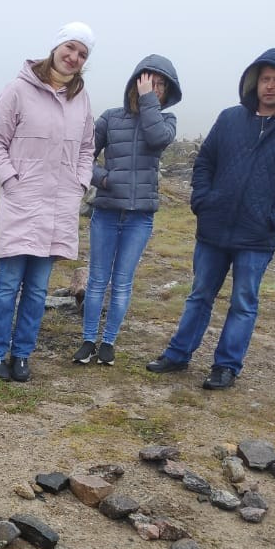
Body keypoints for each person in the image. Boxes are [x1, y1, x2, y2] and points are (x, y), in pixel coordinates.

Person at [145, 48, 275, 391]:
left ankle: (226, 366)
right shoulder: (229, 119)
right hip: (214, 227)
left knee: (243, 301)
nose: (270, 86)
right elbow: (205, 161)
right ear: (255, 81)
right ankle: (178, 354)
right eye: (265, 78)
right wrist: (203, 200)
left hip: (258, 234)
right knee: (199, 294)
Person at [0, 23, 96, 382]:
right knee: (7, 285)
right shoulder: (18, 89)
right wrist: (11, 180)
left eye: (83, 54)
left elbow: (88, 148)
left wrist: (80, 182)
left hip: (58, 206)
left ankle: (23, 354)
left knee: (37, 289)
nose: (74, 57)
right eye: (71, 48)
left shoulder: (82, 99)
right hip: (22, 201)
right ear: (56, 47)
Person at [73, 55, 181, 367]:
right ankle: (88, 340)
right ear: (135, 82)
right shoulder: (110, 118)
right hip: (106, 211)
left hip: (139, 217)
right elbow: (83, 155)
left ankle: (108, 342)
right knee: (96, 281)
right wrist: (102, 178)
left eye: (161, 86)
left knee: (122, 282)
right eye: (150, 83)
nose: (155, 89)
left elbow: (157, 138)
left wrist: (149, 101)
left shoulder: (167, 123)